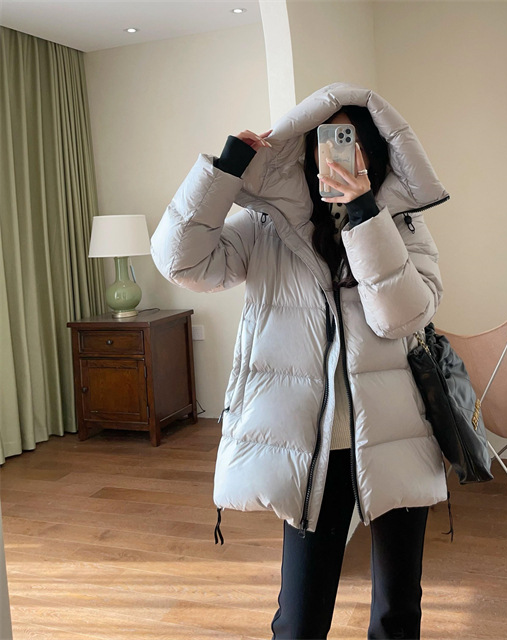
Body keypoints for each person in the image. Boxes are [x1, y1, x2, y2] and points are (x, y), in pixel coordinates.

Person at [150, 82, 451, 639]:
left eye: (353, 141)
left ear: (375, 152)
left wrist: (364, 213)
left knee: (397, 611)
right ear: (307, 151)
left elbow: (401, 318)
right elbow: (182, 262)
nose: (339, 153)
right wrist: (224, 170)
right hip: (313, 446)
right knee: (299, 620)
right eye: (327, 140)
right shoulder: (268, 227)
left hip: (398, 433)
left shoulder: (404, 224)